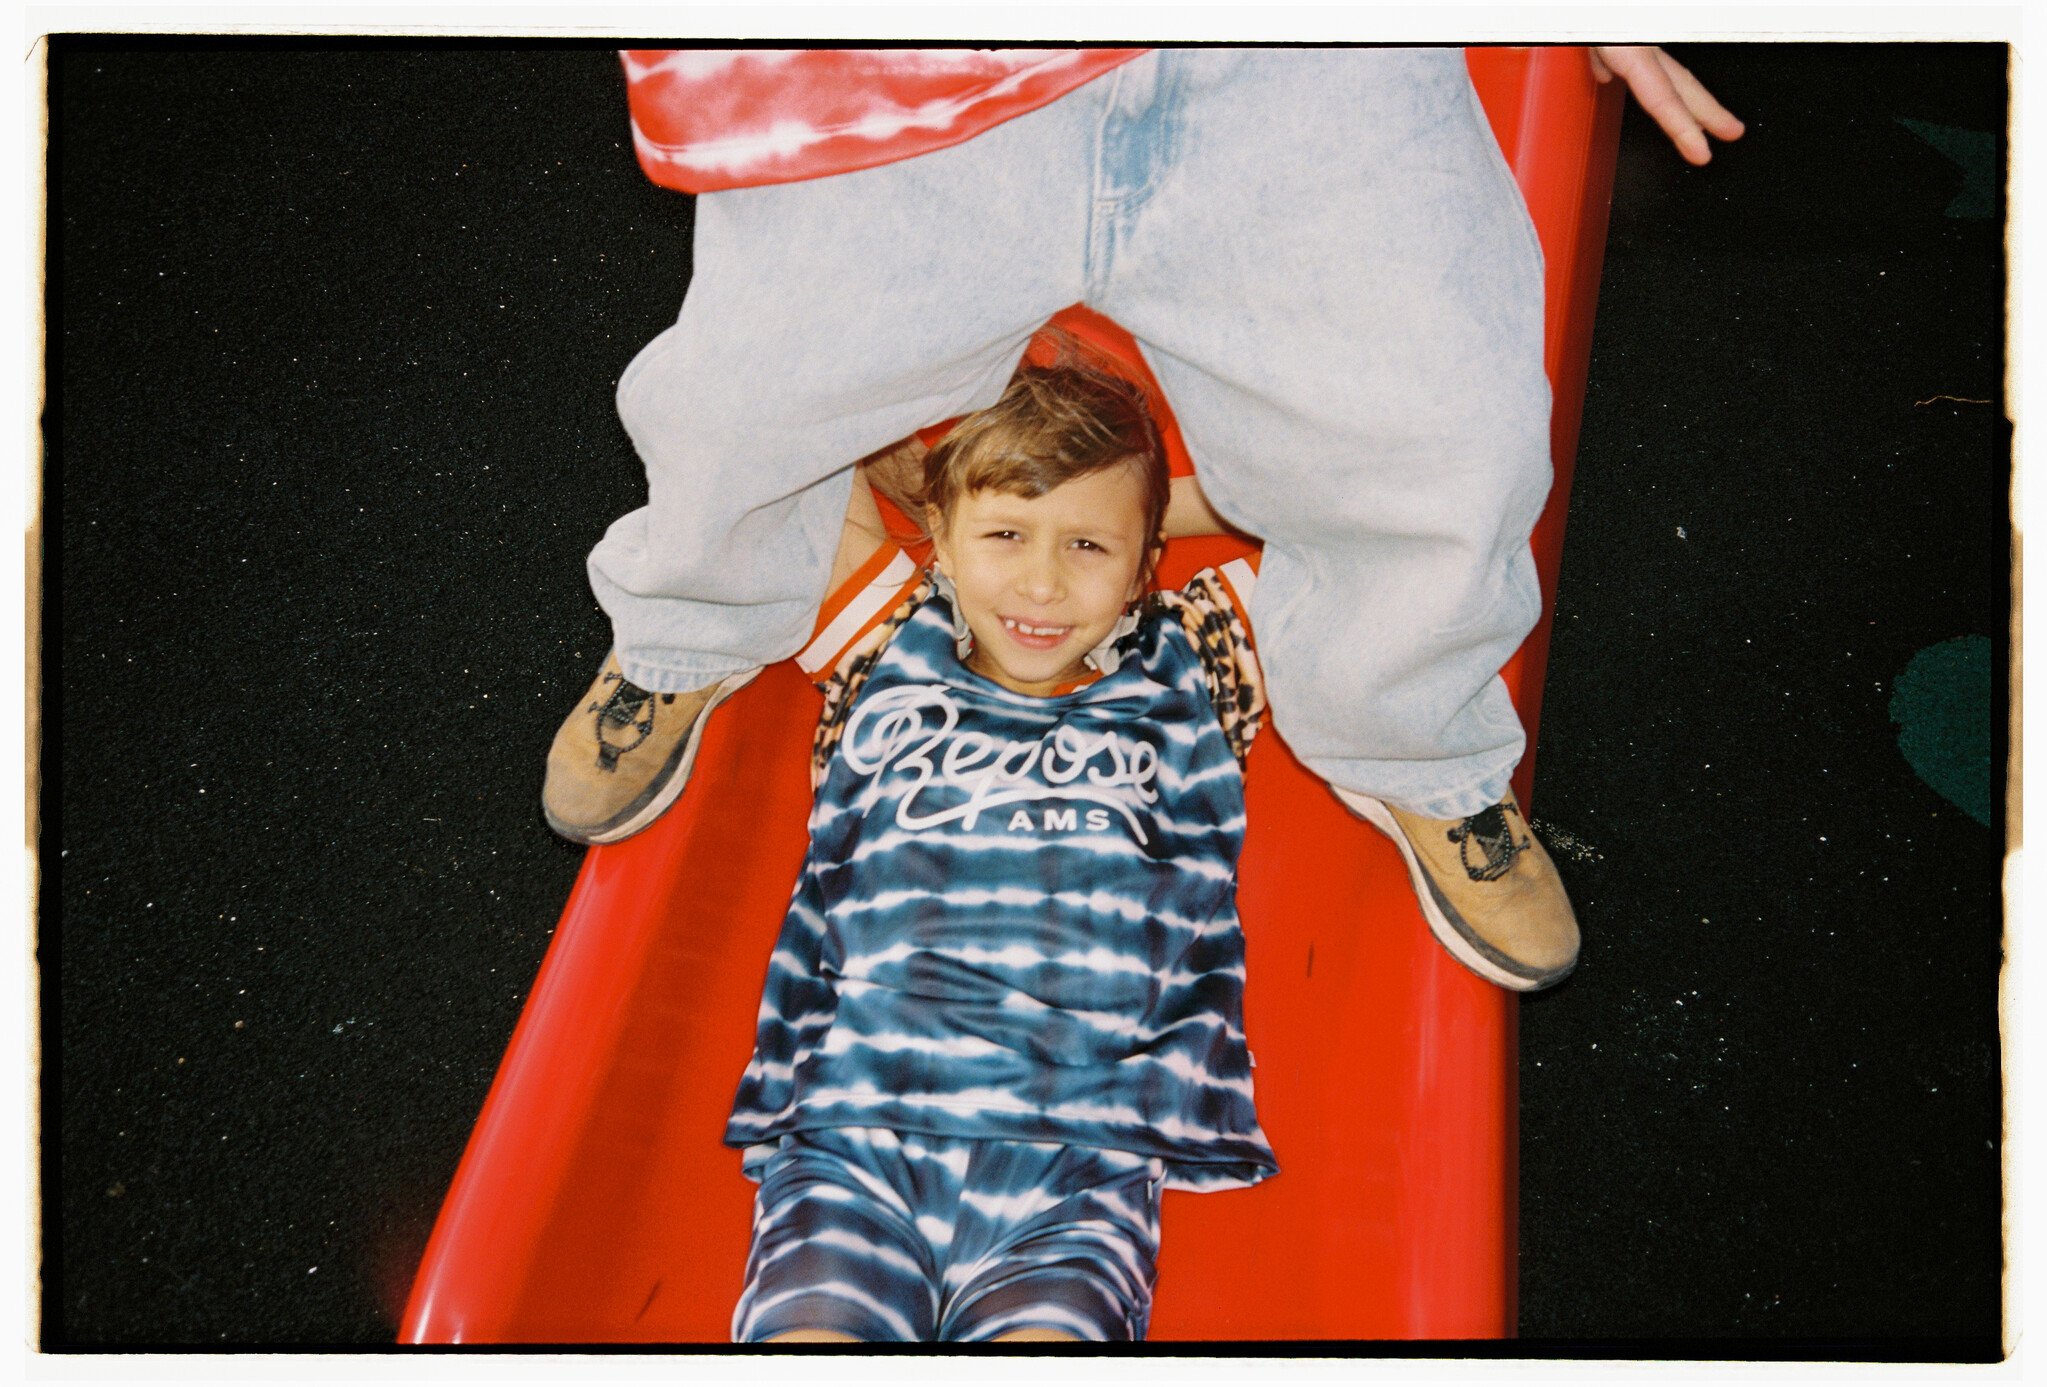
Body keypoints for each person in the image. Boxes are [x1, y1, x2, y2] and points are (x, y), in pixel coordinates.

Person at [541, 46, 1743, 993]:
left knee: (1450, 434)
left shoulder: (1066, 647)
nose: (1036, 594)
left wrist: (1242, 496)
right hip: (917, 65)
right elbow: (877, 522)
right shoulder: (956, 645)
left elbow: (1223, 566)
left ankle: (1411, 733)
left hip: (1281, 64)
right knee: (744, 397)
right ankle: (688, 625)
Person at [725, 359, 1275, 1343]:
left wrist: (1160, 503)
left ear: (1144, 561)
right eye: (1005, 533)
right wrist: (936, 475)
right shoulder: (887, 643)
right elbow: (776, 422)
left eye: (1088, 544)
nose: (1042, 583)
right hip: (857, 1131)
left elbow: (1365, 524)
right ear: (939, 537)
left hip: (1077, 1159)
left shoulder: (1193, 661)